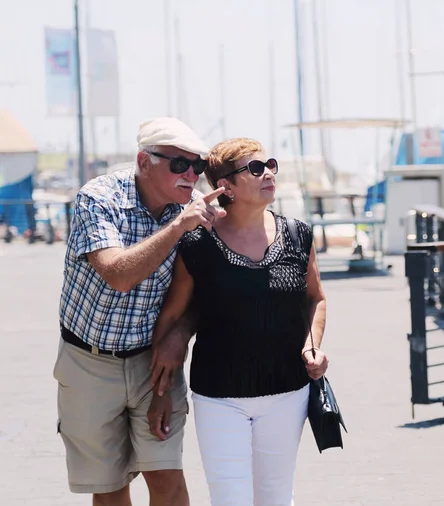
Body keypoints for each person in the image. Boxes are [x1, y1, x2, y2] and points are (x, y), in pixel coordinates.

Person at [53, 117, 226, 506]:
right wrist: (179, 226)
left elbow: (199, 295)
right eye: (178, 164)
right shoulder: (98, 198)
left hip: (155, 361)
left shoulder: (194, 214)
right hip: (88, 363)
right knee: (110, 488)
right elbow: (118, 274)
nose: (191, 175)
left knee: (167, 477)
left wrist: (178, 340)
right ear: (144, 162)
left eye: (196, 166)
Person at [149, 137, 329, 505]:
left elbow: (316, 299)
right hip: (219, 396)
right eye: (256, 168)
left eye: (271, 165)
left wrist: (312, 347)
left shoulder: (298, 234)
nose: (269, 174)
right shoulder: (196, 243)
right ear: (225, 186)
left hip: (287, 391)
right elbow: (173, 316)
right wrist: (160, 393)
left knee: (276, 497)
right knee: (230, 498)